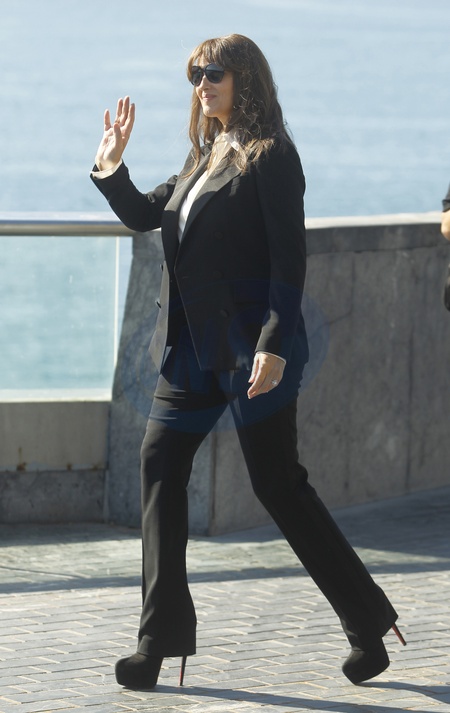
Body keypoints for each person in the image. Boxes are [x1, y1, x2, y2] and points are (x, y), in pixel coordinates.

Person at [91, 34, 406, 690]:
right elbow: (147, 214)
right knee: (159, 466)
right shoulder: (202, 154)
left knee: (278, 485)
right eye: (195, 76)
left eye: (213, 73)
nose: (202, 85)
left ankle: (368, 621)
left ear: (245, 80)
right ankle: (157, 640)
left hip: (251, 351)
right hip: (190, 352)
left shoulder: (272, 156)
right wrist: (111, 166)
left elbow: (290, 261)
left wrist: (273, 344)